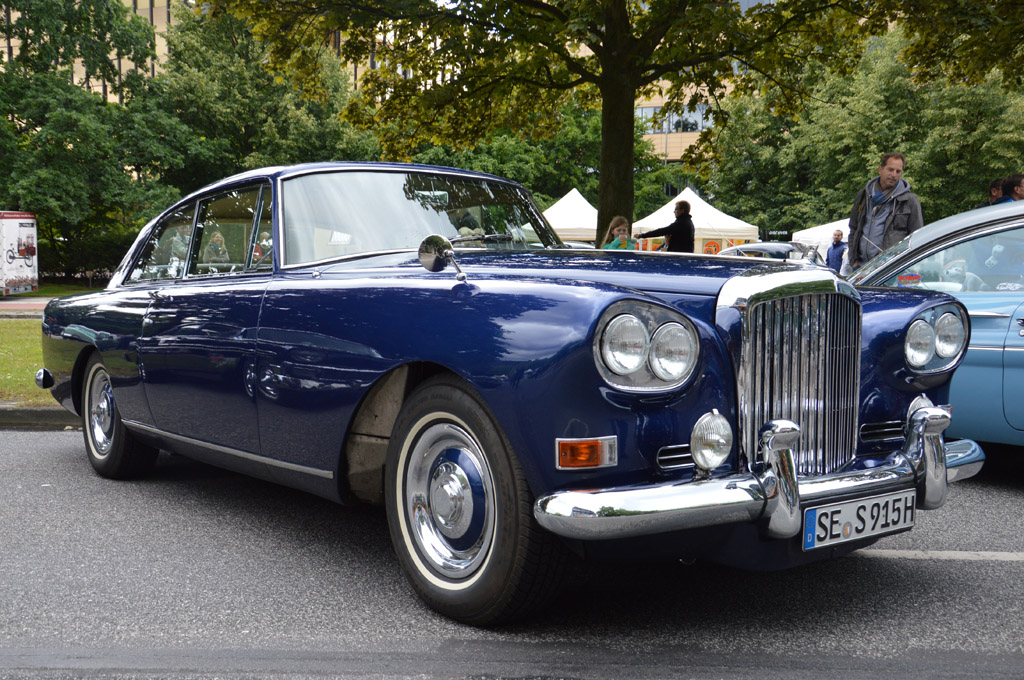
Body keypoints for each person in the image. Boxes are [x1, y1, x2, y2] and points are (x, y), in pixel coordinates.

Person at [847, 152, 924, 270]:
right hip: (861, 268)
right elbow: (853, 228)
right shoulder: (863, 195)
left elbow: (917, 237)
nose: (894, 175)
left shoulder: (909, 200)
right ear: (880, 169)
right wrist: (853, 260)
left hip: (890, 269)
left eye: (898, 171)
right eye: (890, 170)